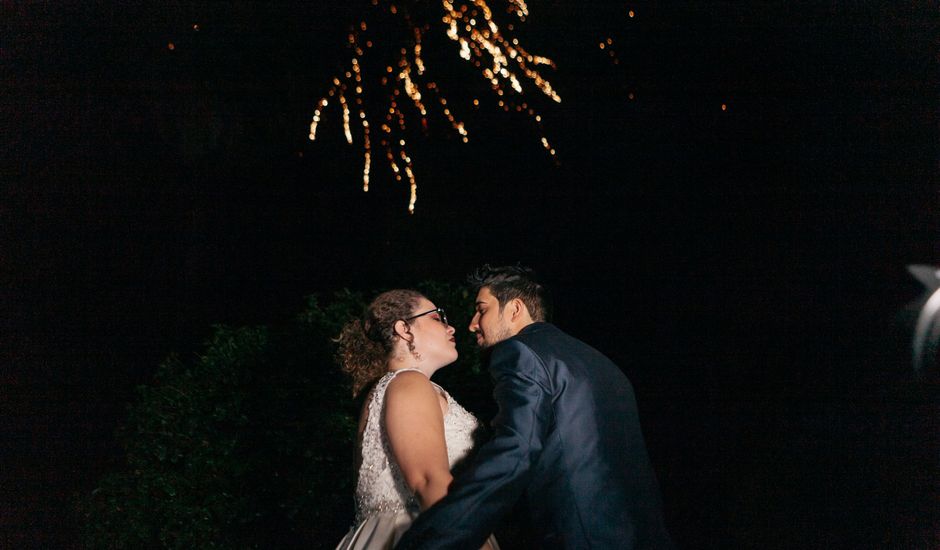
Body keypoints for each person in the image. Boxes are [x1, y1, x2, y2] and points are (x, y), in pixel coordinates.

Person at [396, 266, 674, 549]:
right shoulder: (605, 366)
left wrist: (432, 541)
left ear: (515, 309)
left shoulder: (519, 352)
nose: (472, 323)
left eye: (482, 310)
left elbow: (516, 452)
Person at [334, 289, 498, 550]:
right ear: (404, 329)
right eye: (437, 317)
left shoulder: (393, 387)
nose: (451, 327)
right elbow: (428, 480)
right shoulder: (409, 382)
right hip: (422, 531)